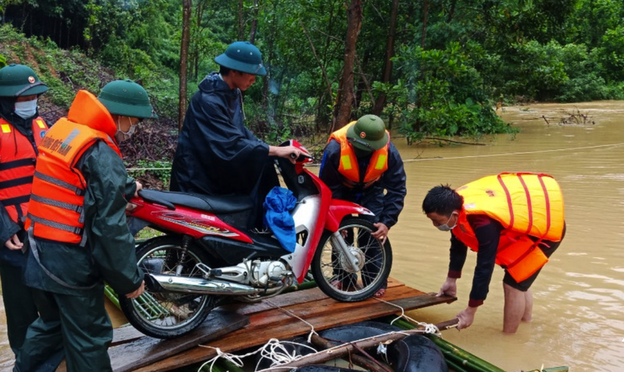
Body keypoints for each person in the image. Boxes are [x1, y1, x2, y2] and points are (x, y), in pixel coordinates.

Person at [14, 80, 151, 372]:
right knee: (89, 334)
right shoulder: (99, 149)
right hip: (69, 260)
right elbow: (110, 230)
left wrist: (125, 185)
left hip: (37, 248)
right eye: (134, 122)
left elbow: (75, 180)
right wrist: (129, 279)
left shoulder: (65, 130)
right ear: (120, 115)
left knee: (50, 325)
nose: (132, 129)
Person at [422, 173, 565, 333]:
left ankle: (509, 339)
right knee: (519, 279)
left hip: (543, 232)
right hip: (521, 230)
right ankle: (526, 323)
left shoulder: (484, 223)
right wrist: (451, 279)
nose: (435, 225)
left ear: (454, 214)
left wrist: (471, 310)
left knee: (514, 283)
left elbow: (484, 266)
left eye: (437, 221)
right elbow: (458, 243)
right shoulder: (455, 212)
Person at [170, 41, 303, 199]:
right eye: (250, 74)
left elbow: (239, 131)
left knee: (264, 162)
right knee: (259, 165)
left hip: (215, 167)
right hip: (197, 176)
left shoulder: (232, 93)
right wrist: (274, 150)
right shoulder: (208, 101)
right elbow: (229, 142)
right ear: (234, 71)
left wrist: (272, 150)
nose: (253, 80)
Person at [0, 63, 54, 361]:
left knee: (50, 307)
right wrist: (3, 228)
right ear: (7, 100)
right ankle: (25, 362)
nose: (29, 104)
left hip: (47, 232)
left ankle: (50, 360)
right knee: (21, 311)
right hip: (14, 238)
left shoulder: (43, 126)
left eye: (33, 97)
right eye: (23, 99)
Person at [319, 114, 407, 296]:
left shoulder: (390, 152)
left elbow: (397, 188)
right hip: (341, 191)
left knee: (374, 232)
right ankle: (343, 278)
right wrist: (334, 218)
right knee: (341, 234)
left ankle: (375, 281)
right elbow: (327, 187)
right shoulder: (335, 148)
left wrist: (387, 221)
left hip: (371, 190)